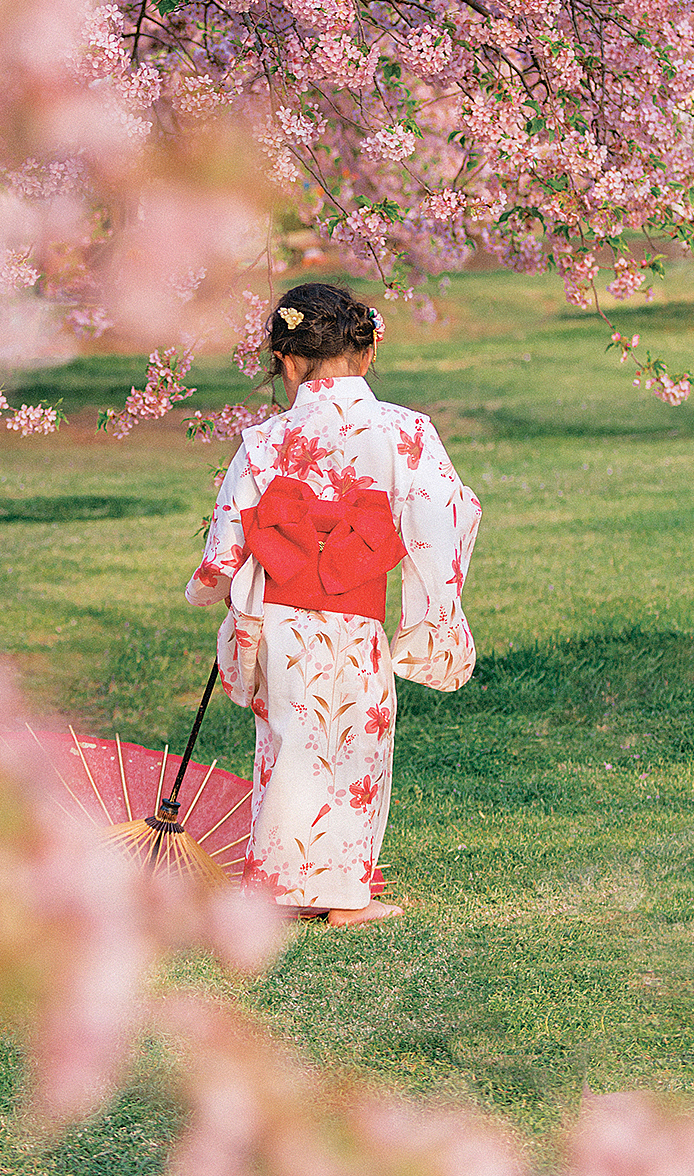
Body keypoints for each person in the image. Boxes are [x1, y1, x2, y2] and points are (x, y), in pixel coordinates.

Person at [186, 283, 480, 926]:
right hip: (358, 607)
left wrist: (215, 583)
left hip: (284, 612)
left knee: (288, 739)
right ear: (369, 349)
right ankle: (343, 893)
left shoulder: (265, 441)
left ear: (287, 363)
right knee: (357, 742)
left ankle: (282, 885)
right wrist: (433, 604)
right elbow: (444, 513)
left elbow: (228, 537)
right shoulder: (406, 431)